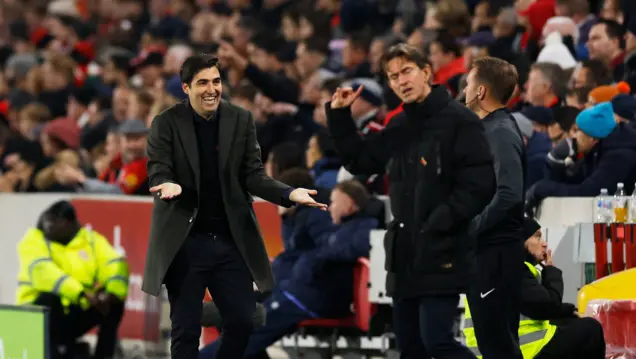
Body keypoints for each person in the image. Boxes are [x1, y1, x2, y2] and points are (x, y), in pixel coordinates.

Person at [141, 54, 325, 359]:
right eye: (203, 83)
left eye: (216, 81)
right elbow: (159, 165)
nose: (212, 89)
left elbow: (252, 175)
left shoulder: (240, 119)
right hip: (185, 243)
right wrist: (167, 183)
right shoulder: (166, 123)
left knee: (243, 320)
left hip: (229, 240)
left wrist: (289, 193)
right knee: (185, 329)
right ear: (186, 88)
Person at [326, 43, 496, 359]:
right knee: (410, 349)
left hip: (442, 250)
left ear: (426, 72)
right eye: (393, 77)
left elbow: (480, 184)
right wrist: (339, 117)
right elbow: (361, 161)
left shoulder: (460, 121)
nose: (401, 81)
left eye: (407, 71)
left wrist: (441, 221)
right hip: (404, 255)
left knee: (438, 342)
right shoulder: (399, 124)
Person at [199, 179, 378, 358]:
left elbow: (343, 249)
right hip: (297, 290)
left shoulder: (362, 228)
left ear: (349, 204)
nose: (330, 207)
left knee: (249, 330)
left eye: (335, 202)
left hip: (307, 296)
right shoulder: (337, 228)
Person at [463, 217, 606, 359]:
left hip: (483, 353)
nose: (544, 244)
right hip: (525, 350)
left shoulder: (489, 267)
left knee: (570, 324)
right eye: (537, 237)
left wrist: (569, 311)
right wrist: (551, 271)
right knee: (591, 329)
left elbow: (530, 306)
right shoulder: (514, 269)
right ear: (521, 240)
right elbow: (548, 306)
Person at [462, 57, 526, 359]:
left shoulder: (499, 131)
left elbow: (509, 194)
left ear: (481, 92)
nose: (463, 90)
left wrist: (471, 228)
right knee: (492, 343)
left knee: (498, 345)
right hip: (487, 253)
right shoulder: (490, 128)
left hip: (496, 254)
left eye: (468, 84)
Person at [16, 200, 128, 359]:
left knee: (114, 304)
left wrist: (110, 295)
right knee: (49, 299)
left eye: (53, 223)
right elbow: (44, 272)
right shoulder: (33, 239)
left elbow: (114, 264)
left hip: (74, 309)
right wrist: (80, 293)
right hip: (36, 314)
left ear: (67, 223)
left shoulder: (91, 240)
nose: (47, 227)